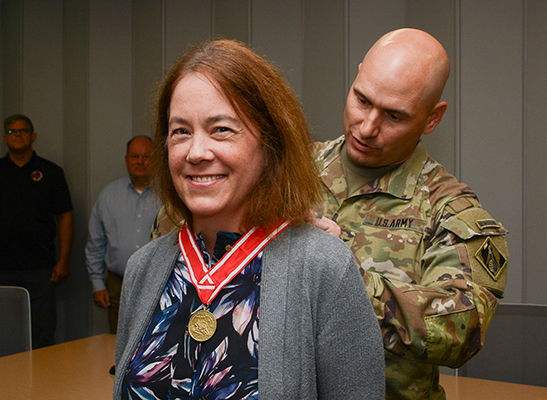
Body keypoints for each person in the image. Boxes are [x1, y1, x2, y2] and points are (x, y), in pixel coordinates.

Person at [113, 39, 385, 400]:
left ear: (270, 143)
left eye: (221, 129)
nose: (196, 152)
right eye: (180, 131)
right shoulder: (143, 269)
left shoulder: (323, 268)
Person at [313, 28, 509, 399]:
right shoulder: (285, 173)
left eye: (394, 116)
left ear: (431, 119)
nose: (367, 127)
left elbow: (463, 330)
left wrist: (343, 276)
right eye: (362, 100)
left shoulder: (450, 210)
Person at [0, 114, 74, 349]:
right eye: (12, 131)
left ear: (33, 136)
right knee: (5, 333)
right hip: (3, 268)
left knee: (42, 332)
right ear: (5, 138)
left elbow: (64, 217)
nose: (18, 135)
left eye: (23, 130)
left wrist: (63, 260)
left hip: (41, 269)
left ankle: (42, 384)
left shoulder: (50, 172)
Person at [85, 135, 161, 334]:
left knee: (156, 344)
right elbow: (96, 242)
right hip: (119, 284)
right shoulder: (109, 195)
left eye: (147, 156)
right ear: (126, 160)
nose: (141, 161)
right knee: (117, 344)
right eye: (135, 156)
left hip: (161, 282)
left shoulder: (171, 195)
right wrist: (97, 283)